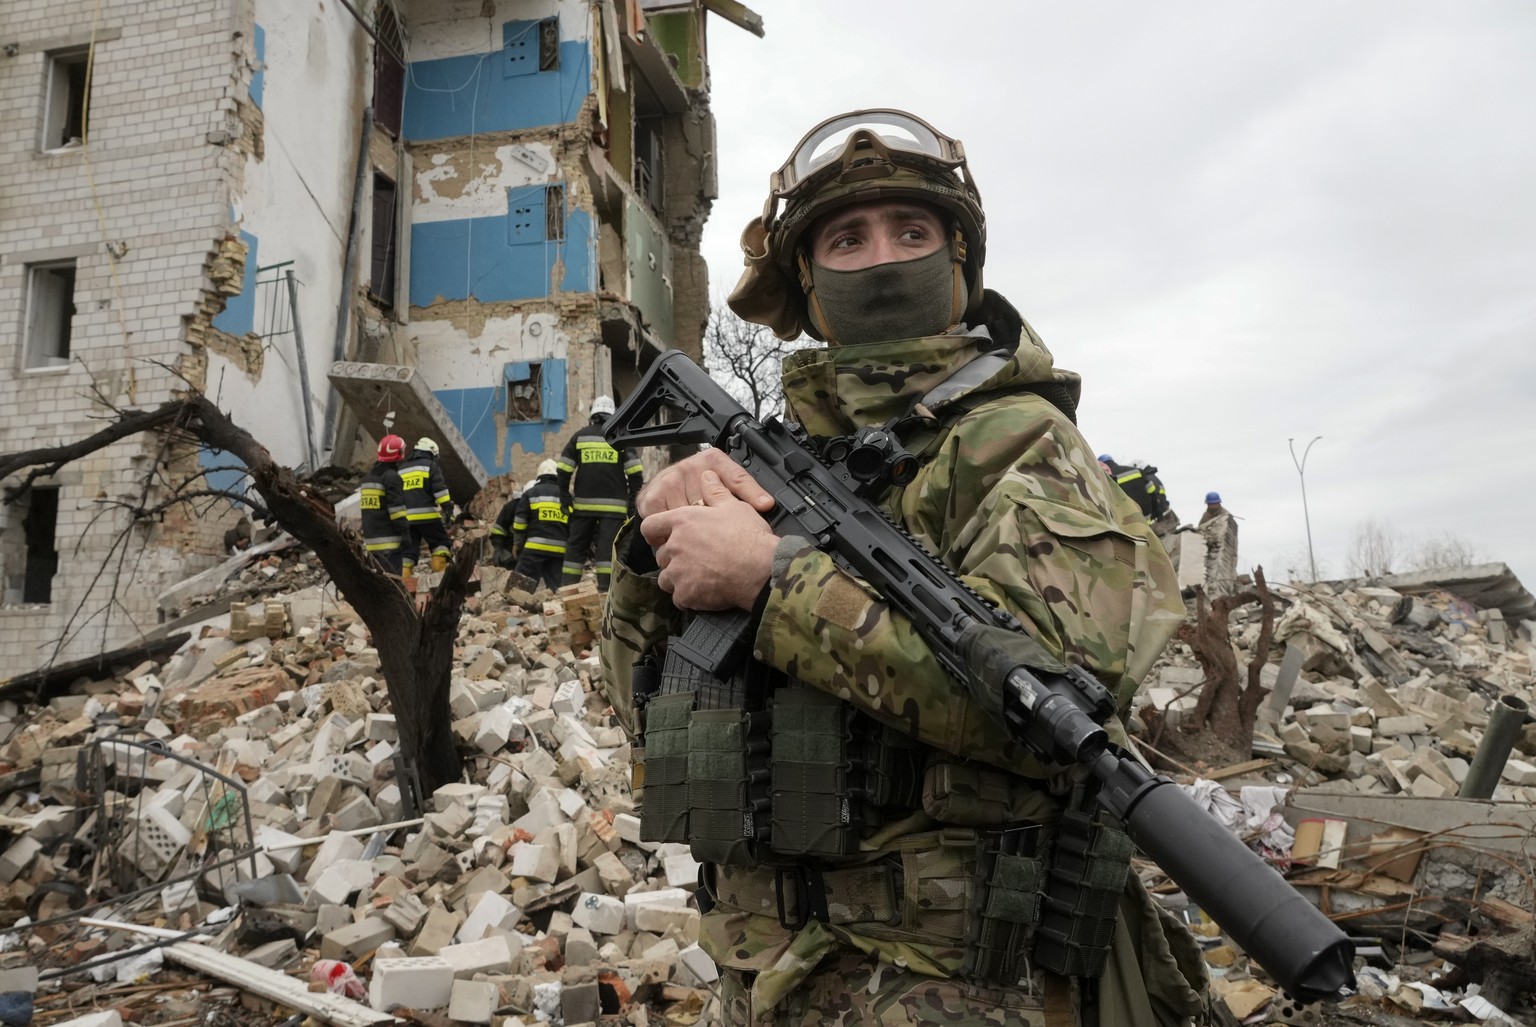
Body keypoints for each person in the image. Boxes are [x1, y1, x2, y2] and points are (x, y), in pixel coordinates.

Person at [601, 111, 1209, 1026]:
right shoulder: (769, 458)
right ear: (804, 279)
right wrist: (653, 557)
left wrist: (775, 583)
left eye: (912, 231)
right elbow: (643, 714)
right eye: (847, 238)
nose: (882, 258)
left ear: (959, 263)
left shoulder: (1018, 444)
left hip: (955, 984)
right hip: (765, 970)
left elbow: (1056, 710)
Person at [556, 396, 644, 592]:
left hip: (582, 507)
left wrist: (564, 496)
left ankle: (567, 590)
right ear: (613, 414)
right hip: (614, 509)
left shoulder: (579, 436)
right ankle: (605, 592)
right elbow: (635, 474)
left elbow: (563, 469)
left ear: (592, 414)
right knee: (606, 553)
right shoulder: (621, 439)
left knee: (576, 549)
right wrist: (632, 504)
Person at [492, 459, 569, 589]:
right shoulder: (567, 496)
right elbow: (573, 524)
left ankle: (516, 606)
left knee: (520, 586)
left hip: (535, 549)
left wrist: (517, 544)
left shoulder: (530, 494)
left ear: (539, 476)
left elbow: (520, 523)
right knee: (559, 588)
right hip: (559, 550)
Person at [358, 435, 412, 576]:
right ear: (399, 453)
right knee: (393, 585)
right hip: (389, 545)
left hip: (371, 544)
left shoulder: (368, 478)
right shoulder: (391, 478)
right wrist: (405, 534)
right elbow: (397, 511)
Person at [400, 436, 453, 573]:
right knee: (440, 543)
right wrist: (448, 509)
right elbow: (439, 490)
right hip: (428, 516)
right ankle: (439, 574)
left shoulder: (402, 469)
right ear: (431, 452)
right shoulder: (430, 466)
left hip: (406, 519)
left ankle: (403, 583)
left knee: (408, 552)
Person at [1099, 454, 1177, 538]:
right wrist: (1157, 512)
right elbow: (1152, 492)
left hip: (1125, 524)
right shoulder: (1137, 471)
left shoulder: (1103, 477)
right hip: (1146, 521)